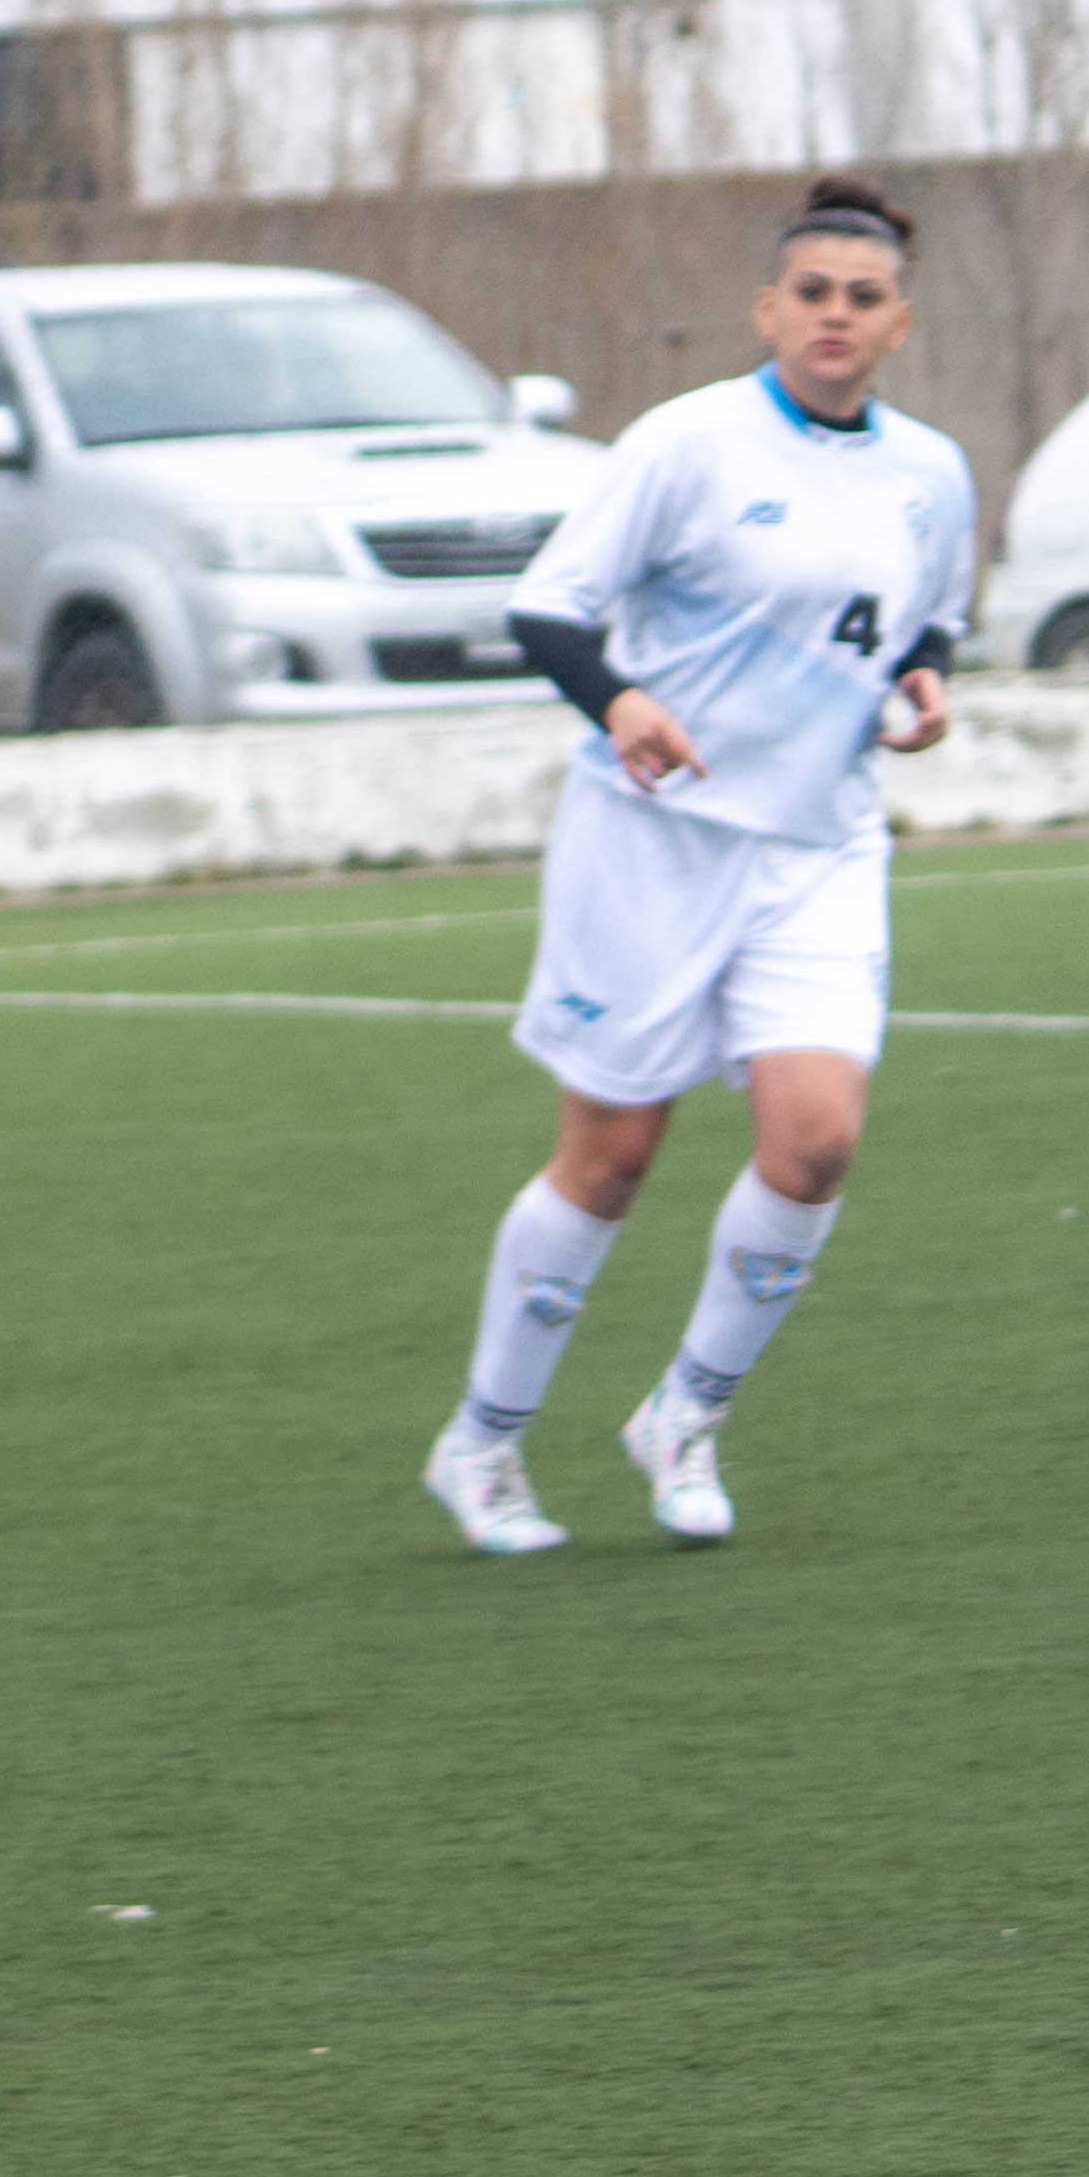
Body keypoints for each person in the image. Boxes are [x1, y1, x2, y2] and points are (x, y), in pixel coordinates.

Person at [426, 173, 973, 1556]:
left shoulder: (931, 474)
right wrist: (622, 703)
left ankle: (685, 1416)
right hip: (650, 847)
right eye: (813, 293)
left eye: (863, 298)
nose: (836, 316)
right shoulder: (687, 444)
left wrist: (923, 683)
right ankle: (483, 1443)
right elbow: (549, 610)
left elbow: (927, 625)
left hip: (820, 848)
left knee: (817, 1141)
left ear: (899, 324)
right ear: (768, 309)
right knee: (611, 1158)